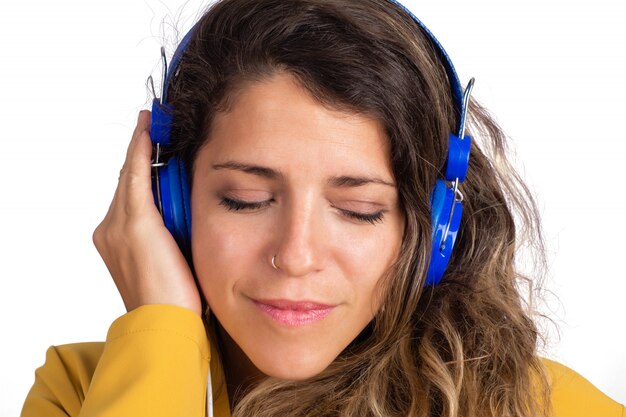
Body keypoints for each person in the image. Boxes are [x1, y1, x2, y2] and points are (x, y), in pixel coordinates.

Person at [20, 0, 625, 416]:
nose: (298, 255)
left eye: (360, 208)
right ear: (168, 201)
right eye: (246, 199)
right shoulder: (82, 390)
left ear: (433, 229)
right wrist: (159, 337)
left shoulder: (537, 405)